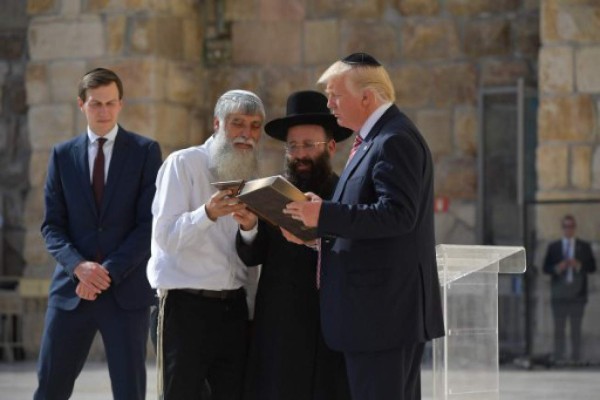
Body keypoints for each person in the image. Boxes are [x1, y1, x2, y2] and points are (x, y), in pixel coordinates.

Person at [281, 53, 445, 400]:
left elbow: (398, 215)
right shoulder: (373, 142)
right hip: (376, 317)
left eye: (335, 95)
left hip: (382, 318)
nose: (330, 105)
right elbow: (366, 224)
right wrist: (314, 232)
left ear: (367, 97)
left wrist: (323, 214)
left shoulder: (393, 140)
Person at [35, 68, 162, 400]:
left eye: (110, 103)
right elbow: (52, 226)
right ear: (81, 105)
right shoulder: (62, 156)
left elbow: (148, 224)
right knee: (50, 388)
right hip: (70, 290)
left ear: (121, 104)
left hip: (125, 290)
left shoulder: (145, 151)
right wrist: (80, 267)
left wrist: (106, 271)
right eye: (96, 104)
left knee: (129, 392)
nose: (103, 112)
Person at [147, 89, 266, 400]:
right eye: (237, 123)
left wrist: (251, 227)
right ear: (217, 123)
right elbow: (165, 238)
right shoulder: (183, 164)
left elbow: (249, 257)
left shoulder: (253, 175)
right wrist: (207, 214)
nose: (246, 134)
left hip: (233, 310)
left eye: (254, 126)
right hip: (186, 309)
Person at [235, 90, 352, 400]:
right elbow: (253, 254)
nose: (299, 155)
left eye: (308, 146)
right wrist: (248, 226)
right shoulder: (273, 192)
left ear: (329, 147)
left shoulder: (347, 196)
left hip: (329, 328)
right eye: (293, 146)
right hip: (280, 328)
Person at [543, 215, 596, 363]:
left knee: (576, 328)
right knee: (559, 328)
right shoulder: (554, 247)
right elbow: (546, 268)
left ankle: (575, 357)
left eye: (571, 226)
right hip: (559, 293)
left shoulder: (583, 246)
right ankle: (559, 356)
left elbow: (592, 267)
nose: (569, 229)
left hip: (577, 294)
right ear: (562, 228)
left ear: (575, 228)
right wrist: (557, 268)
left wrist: (578, 265)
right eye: (566, 226)